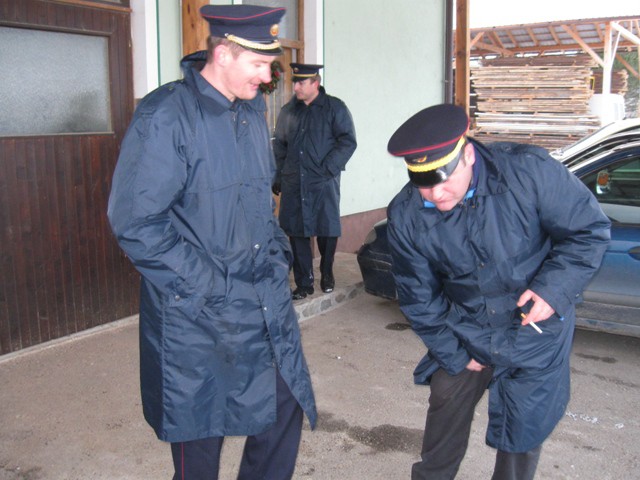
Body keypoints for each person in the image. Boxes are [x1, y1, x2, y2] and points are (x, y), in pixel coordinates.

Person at [107, 5, 317, 479]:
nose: (268, 78)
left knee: (284, 407)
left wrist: (277, 256)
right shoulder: (166, 116)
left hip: (259, 302)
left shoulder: (248, 113)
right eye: (259, 65)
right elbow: (136, 222)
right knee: (199, 441)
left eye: (271, 66)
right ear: (223, 54)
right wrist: (213, 285)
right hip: (196, 315)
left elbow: (258, 205)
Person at [385, 104, 610, 480]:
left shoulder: (529, 172)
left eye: (443, 177)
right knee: (444, 406)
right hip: (467, 329)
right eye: (423, 182)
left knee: (521, 434)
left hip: (535, 330)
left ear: (468, 153)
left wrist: (553, 291)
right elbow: (418, 297)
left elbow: (588, 231)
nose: (436, 194)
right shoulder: (407, 214)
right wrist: (454, 354)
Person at [272, 63, 357, 300]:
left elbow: (347, 141)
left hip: (323, 182)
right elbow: (279, 144)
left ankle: (327, 272)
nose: (296, 87)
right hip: (294, 181)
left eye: (301, 82)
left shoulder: (334, 108)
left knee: (327, 229)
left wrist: (328, 168)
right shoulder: (289, 110)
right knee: (297, 232)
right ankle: (304, 282)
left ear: (315, 83)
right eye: (295, 82)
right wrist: (278, 174)